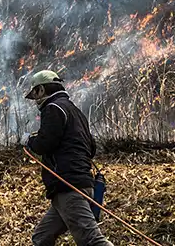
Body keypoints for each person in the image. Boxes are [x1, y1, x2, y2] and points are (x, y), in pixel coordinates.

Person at [25, 70, 113, 246]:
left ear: (41, 90)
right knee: (42, 238)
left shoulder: (53, 108)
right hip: (81, 185)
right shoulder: (76, 112)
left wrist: (30, 141)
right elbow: (91, 148)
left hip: (68, 187)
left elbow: (45, 143)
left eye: (35, 94)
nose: (35, 100)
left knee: (92, 241)